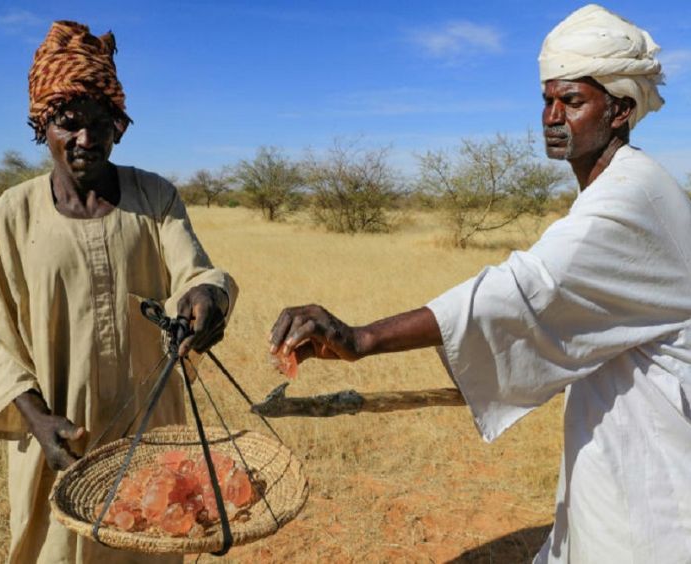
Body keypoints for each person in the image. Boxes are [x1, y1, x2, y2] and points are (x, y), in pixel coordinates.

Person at [269, 5, 691, 562]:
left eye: (573, 100)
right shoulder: (623, 185)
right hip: (621, 433)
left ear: (620, 111)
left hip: (651, 458)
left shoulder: (628, 197)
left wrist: (364, 338)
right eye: (547, 99)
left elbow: (526, 289)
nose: (552, 115)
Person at [0, 21, 237, 563]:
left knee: (153, 546)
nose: (87, 140)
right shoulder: (11, 217)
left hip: (151, 431)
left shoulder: (154, 196)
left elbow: (196, 273)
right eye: (69, 123)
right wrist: (40, 422)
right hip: (61, 441)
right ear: (43, 125)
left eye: (102, 123)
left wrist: (206, 298)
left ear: (120, 125)